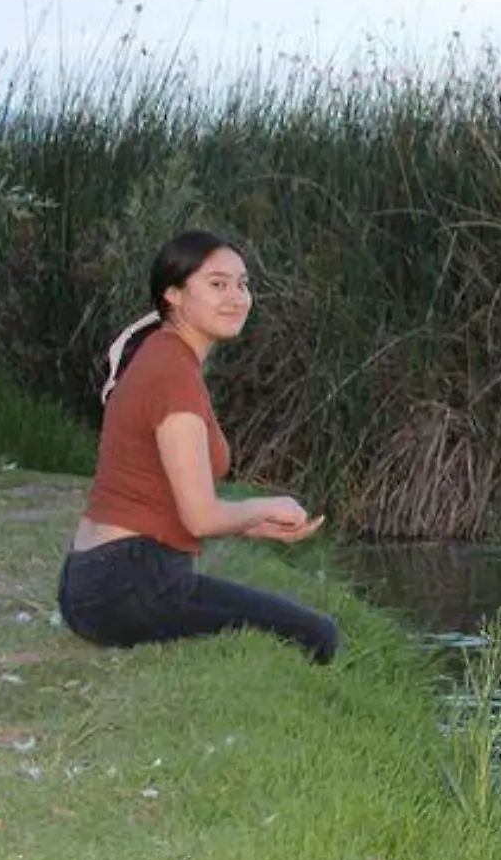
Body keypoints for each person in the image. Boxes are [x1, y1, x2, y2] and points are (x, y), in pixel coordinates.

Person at [57, 230, 342, 664]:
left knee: (293, 625)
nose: (236, 297)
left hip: (105, 582)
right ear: (173, 294)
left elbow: (167, 493)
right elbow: (201, 516)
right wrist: (267, 504)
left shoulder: (164, 355)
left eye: (243, 284)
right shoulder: (171, 372)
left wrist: (251, 525)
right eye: (217, 284)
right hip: (127, 584)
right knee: (317, 634)